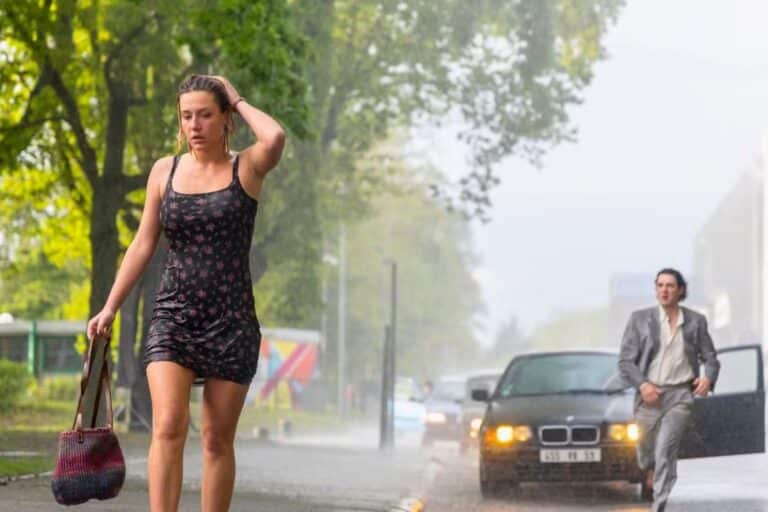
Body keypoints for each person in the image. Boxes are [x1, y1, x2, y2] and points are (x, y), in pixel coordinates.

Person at [87, 74, 285, 512]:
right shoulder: (166, 170)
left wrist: (236, 96)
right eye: (186, 116)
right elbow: (143, 244)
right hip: (173, 315)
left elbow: (275, 136)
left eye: (206, 115)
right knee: (169, 426)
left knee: (216, 440)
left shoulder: (246, 168)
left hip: (231, 321)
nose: (194, 125)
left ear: (225, 119)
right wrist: (110, 307)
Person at [618, 268, 720, 512]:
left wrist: (708, 379)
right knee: (646, 453)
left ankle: (660, 505)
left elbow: (711, 358)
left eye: (670, 286)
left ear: (680, 290)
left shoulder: (696, 321)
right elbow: (625, 361)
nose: (664, 290)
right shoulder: (639, 319)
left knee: (666, 450)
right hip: (649, 396)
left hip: (679, 396)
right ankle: (650, 468)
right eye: (660, 285)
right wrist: (643, 385)